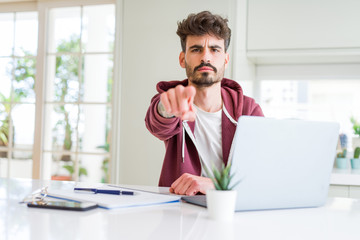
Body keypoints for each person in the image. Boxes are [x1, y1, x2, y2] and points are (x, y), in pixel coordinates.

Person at [145, 11, 264, 196]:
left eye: (215, 49)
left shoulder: (248, 110)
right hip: (179, 211)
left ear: (225, 59)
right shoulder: (173, 100)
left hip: (231, 211)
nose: (205, 57)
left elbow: (261, 172)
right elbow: (158, 124)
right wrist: (165, 108)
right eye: (196, 49)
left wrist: (215, 185)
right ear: (182, 59)